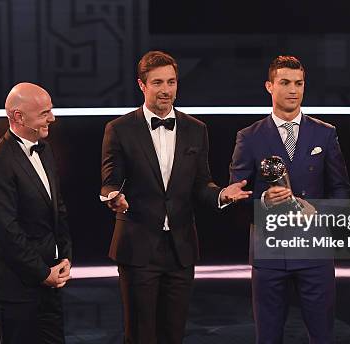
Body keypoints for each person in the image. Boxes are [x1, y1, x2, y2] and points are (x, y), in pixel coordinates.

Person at [100, 50, 251, 344]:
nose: (166, 90)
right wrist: (113, 197)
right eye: (157, 83)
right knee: (140, 335)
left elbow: (201, 185)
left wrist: (222, 194)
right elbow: (109, 182)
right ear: (142, 85)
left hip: (180, 250)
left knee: (174, 334)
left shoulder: (196, 129)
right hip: (138, 247)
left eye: (171, 82)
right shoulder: (119, 130)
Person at [229, 55, 350, 344]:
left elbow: (342, 192)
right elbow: (237, 195)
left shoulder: (325, 133)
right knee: (268, 337)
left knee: (322, 336)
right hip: (269, 252)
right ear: (269, 86)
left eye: (299, 83)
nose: (293, 90)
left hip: (314, 253)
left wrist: (318, 210)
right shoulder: (249, 137)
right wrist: (263, 202)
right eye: (285, 83)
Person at [0, 82, 73, 343]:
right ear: (18, 117)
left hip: (49, 282)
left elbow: (57, 209)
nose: (52, 117)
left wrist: (65, 258)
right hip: (13, 288)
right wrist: (42, 273)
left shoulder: (46, 150)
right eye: (44, 113)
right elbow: (6, 231)